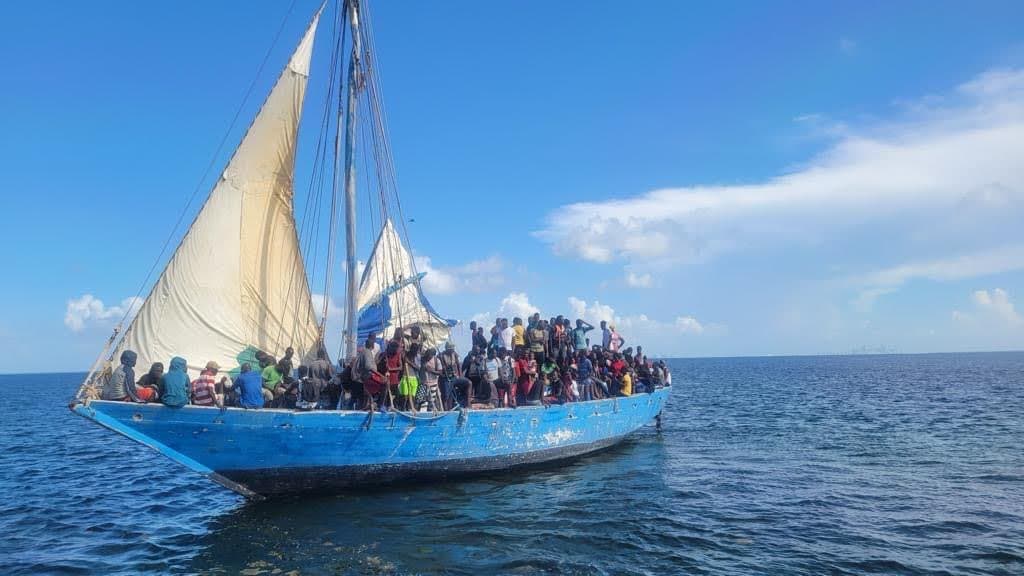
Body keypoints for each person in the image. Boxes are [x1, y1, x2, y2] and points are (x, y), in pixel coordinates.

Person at [439, 342, 461, 410]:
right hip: (445, 377)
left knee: (452, 393)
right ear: (447, 349)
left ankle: (451, 408)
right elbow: (440, 367)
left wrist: (460, 375)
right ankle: (445, 410)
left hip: (453, 376)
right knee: (446, 395)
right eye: (451, 349)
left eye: (453, 349)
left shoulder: (454, 354)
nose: (452, 350)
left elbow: (458, 365)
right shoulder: (441, 355)